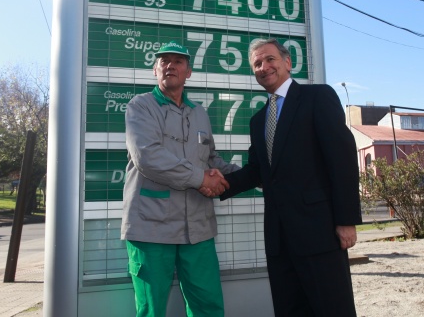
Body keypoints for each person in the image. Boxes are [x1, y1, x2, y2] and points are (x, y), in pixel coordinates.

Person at [220, 38, 362, 316]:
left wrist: (346, 220)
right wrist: (217, 183)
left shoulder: (318, 97)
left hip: (320, 233)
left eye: (270, 59)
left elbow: (342, 159)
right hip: (279, 238)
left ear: (287, 62)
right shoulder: (258, 120)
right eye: (257, 64)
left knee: (333, 309)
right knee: (290, 309)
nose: (263, 67)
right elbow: (258, 171)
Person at [121, 40, 239, 317]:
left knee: (208, 306)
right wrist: (201, 179)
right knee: (151, 310)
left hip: (198, 229)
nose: (170, 65)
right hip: (151, 226)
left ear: (189, 72)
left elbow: (211, 160)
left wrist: (253, 175)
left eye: (178, 61)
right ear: (155, 70)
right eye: (164, 61)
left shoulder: (199, 113)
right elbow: (148, 157)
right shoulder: (140, 107)